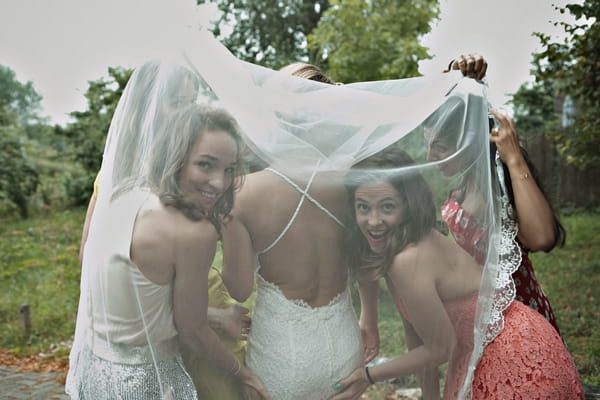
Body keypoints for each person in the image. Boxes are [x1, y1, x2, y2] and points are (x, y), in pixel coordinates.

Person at [220, 57, 489, 400]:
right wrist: (370, 317)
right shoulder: (354, 176)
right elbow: (365, 252)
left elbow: (239, 289)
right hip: (345, 350)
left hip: (280, 355)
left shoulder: (241, 192)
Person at [66, 58, 270, 399]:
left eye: (190, 103)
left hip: (111, 363)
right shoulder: (127, 189)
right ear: (145, 109)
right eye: (176, 102)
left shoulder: (120, 184)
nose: (185, 115)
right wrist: (222, 329)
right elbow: (96, 267)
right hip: (160, 364)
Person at [330, 147, 583, 400]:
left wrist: (369, 375)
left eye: (387, 207)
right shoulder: (395, 246)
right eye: (363, 208)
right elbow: (417, 336)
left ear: (407, 206)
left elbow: (440, 348)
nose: (373, 221)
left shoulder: (408, 259)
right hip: (484, 348)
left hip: (512, 351)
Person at [426, 105, 565, 334]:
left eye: (439, 147)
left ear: (469, 143)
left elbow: (542, 238)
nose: (429, 157)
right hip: (477, 319)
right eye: (428, 144)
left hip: (518, 322)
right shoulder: (466, 182)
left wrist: (515, 160)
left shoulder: (501, 182)